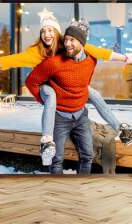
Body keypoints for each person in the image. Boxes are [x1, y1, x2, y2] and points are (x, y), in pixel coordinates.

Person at [0, 14, 132, 166]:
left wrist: (126, 58)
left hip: (66, 85)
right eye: (43, 31)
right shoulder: (37, 52)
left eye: (50, 30)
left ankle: (123, 131)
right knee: (51, 95)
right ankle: (47, 141)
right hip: (46, 85)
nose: (46, 34)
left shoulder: (68, 45)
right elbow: (13, 59)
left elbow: (99, 52)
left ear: (57, 33)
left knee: (94, 93)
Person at [25, 22, 101, 174]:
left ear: (82, 42)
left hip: (81, 116)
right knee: (56, 159)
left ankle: (82, 187)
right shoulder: (53, 62)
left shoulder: (92, 60)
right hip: (59, 117)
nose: (67, 44)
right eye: (65, 40)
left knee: (87, 156)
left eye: (71, 40)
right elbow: (31, 81)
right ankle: (57, 191)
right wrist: (45, 100)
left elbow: (85, 82)